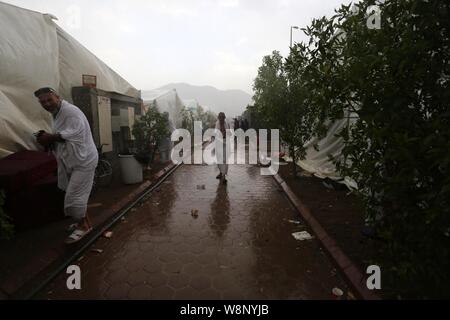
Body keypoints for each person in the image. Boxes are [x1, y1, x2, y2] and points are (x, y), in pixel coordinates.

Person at [34, 87, 98, 244]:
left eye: (49, 99)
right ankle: (84, 222)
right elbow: (64, 135)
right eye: (43, 102)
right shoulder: (57, 113)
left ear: (57, 97)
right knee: (78, 195)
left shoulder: (70, 111)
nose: (47, 103)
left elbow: (76, 133)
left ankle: (84, 227)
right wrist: (47, 137)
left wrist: (51, 137)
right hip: (72, 160)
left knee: (74, 196)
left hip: (84, 161)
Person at [215, 112, 231, 184]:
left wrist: (226, 134)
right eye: (220, 117)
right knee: (219, 160)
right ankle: (221, 173)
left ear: (224, 118)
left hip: (225, 144)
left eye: (222, 117)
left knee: (224, 160)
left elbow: (229, 133)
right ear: (218, 118)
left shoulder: (226, 124)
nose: (221, 119)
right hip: (219, 144)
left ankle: (224, 176)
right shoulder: (217, 124)